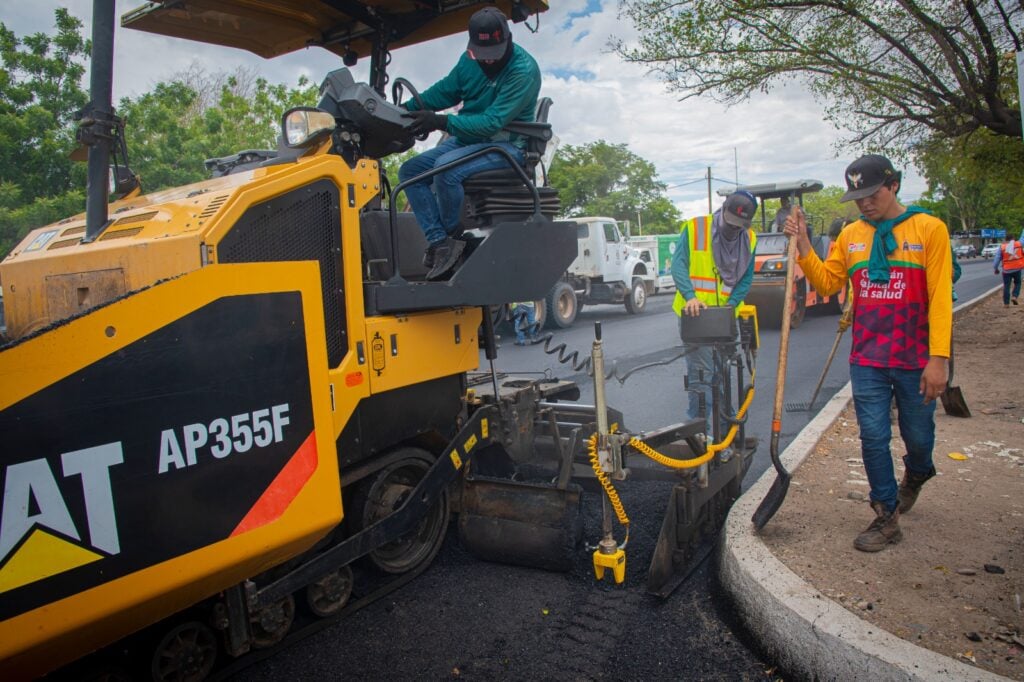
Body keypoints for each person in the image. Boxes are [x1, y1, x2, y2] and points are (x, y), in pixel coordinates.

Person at [783, 154, 952, 553]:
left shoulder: (930, 229)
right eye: (857, 197)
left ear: (893, 185)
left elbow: (940, 297)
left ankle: (919, 471)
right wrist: (806, 245)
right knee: (873, 438)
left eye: (871, 193)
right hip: (868, 358)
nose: (864, 203)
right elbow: (827, 283)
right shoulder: (851, 236)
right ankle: (886, 515)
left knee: (919, 436)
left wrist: (939, 358)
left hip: (915, 358)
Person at [398, 7, 541, 280]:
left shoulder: (523, 71)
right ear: (473, 46)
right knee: (410, 172)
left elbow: (490, 123)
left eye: (494, 56)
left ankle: (451, 239)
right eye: (481, 55)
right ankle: (439, 242)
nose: (487, 62)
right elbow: (443, 92)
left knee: (446, 169)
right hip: (468, 141)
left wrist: (440, 122)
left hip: (507, 147)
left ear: (508, 40)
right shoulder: (469, 60)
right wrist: (400, 113)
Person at [671, 191, 758, 438]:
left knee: (721, 375)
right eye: (730, 223)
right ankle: (698, 433)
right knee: (702, 377)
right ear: (723, 210)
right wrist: (690, 296)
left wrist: (732, 304)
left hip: (725, 319)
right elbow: (678, 264)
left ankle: (724, 432)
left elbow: (746, 278)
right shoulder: (696, 228)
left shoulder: (749, 239)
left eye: (739, 226)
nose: (733, 229)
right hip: (696, 315)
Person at [993, 232, 1023, 307]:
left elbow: (997, 259)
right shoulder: (1019, 244)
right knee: (1018, 283)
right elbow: (1023, 237)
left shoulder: (1002, 247)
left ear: (1006, 240)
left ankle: (1006, 303)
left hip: (1006, 270)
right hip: (1017, 268)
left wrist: (996, 269)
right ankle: (1014, 296)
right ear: (1013, 239)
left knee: (1006, 286)